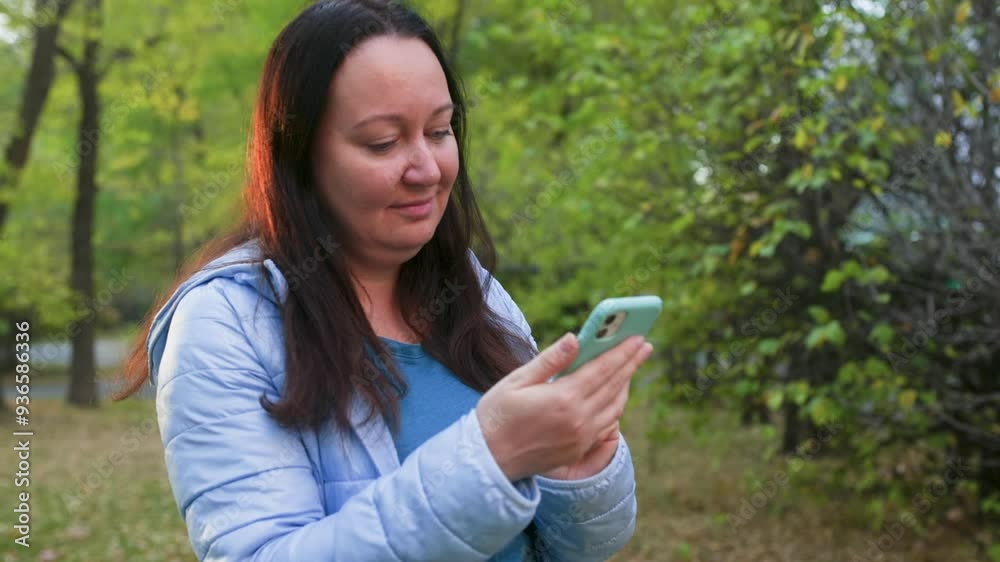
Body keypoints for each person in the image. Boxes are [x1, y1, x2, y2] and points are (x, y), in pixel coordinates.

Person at [115, 1, 653, 560]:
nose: (426, 169)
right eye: (382, 143)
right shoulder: (226, 323)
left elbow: (572, 549)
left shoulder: (474, 289)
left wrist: (575, 473)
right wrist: (490, 456)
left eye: (439, 131)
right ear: (299, 158)